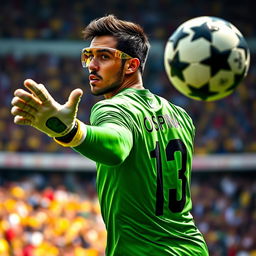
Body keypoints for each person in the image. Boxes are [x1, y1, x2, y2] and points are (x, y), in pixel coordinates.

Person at [11, 14, 209, 256]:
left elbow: (116, 147)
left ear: (132, 66)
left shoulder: (113, 107)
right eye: (89, 56)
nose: (92, 66)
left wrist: (70, 131)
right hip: (194, 248)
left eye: (104, 57)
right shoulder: (181, 116)